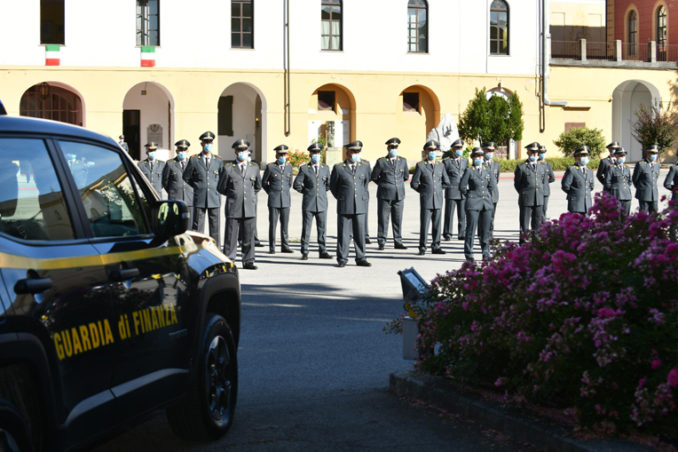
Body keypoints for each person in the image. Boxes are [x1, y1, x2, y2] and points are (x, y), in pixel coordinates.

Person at [218, 139, 262, 270]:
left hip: (249, 206)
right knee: (231, 236)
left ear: (247, 151)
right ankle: (229, 260)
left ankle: (248, 260)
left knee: (248, 235)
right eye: (240, 150)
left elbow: (257, 186)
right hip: (234, 206)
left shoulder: (254, 168)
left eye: (244, 150)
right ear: (235, 152)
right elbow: (221, 187)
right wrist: (234, 195)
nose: (242, 152)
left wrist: (248, 197)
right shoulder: (228, 168)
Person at [330, 140, 371, 267]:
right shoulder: (339, 168)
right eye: (353, 151)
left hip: (360, 205)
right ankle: (342, 258)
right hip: (345, 204)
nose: (356, 154)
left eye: (358, 152)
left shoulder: (365, 165)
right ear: (347, 153)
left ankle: (361, 258)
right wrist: (342, 197)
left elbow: (365, 183)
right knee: (344, 234)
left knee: (360, 233)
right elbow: (333, 186)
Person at [183, 131, 223, 246]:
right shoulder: (194, 159)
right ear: (202, 144)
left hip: (214, 197)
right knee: (198, 226)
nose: (208, 144)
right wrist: (197, 186)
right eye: (206, 142)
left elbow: (222, 177)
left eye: (210, 142)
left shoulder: (218, 160)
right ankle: (198, 247)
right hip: (199, 197)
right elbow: (186, 177)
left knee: (215, 227)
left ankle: (216, 248)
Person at [293, 142, 333, 260]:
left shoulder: (325, 168)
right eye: (314, 153)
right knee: (306, 228)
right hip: (308, 203)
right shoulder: (305, 168)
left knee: (322, 228)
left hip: (321, 203)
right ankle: (305, 251)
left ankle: (323, 250)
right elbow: (297, 185)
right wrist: (307, 192)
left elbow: (328, 185)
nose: (316, 155)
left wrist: (320, 193)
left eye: (318, 153)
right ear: (310, 154)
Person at [410, 140, 450, 256]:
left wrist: (437, 189)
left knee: (437, 224)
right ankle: (422, 247)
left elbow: (446, 182)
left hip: (437, 199)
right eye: (430, 150)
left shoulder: (440, 166)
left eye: (434, 150)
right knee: (425, 224)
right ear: (426, 151)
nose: (432, 152)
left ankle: (436, 246)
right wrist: (423, 191)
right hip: (426, 199)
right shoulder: (421, 165)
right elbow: (414, 183)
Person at [370, 137, 409, 250]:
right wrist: (384, 185)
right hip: (385, 195)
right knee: (383, 219)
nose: (393, 149)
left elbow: (406, 176)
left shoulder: (403, 161)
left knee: (398, 219)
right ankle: (381, 241)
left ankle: (398, 241)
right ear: (388, 148)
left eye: (395, 147)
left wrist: (397, 186)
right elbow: (374, 177)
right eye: (391, 147)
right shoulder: (381, 162)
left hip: (399, 194)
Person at [459, 147, 496, 262]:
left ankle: (486, 252)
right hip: (473, 203)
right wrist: (471, 195)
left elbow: (492, 186)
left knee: (485, 230)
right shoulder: (469, 170)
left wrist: (486, 196)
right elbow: (462, 187)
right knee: (471, 229)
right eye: (477, 157)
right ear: (473, 158)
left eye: (481, 157)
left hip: (486, 203)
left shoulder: (487, 170)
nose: (479, 159)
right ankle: (469, 253)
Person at [262, 145, 294, 254]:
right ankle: (272, 247)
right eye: (280, 154)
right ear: (276, 155)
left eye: (284, 154)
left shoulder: (289, 167)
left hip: (285, 200)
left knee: (285, 224)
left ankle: (285, 246)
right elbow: (264, 183)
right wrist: (271, 192)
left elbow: (289, 183)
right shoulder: (270, 167)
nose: (282, 156)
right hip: (274, 200)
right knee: (273, 224)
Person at [514, 142, 546, 243]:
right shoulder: (522, 167)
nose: (534, 155)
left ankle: (536, 244)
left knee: (537, 224)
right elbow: (517, 184)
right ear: (527, 152)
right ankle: (523, 245)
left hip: (539, 199)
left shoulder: (542, 167)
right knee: (524, 224)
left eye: (536, 153)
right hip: (526, 199)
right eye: (532, 152)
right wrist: (524, 193)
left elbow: (543, 182)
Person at [162, 139, 194, 225]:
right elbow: (165, 181)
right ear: (177, 151)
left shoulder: (192, 163)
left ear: (187, 151)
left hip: (189, 199)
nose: (182, 152)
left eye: (184, 150)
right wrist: (172, 191)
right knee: (175, 223)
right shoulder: (170, 163)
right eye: (180, 150)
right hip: (175, 199)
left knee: (189, 225)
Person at [442, 138, 467, 241]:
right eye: (457, 148)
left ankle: (461, 233)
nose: (459, 150)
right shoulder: (447, 161)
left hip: (462, 191)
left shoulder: (465, 161)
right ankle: (448, 233)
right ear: (453, 149)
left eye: (460, 148)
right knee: (449, 213)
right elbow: (444, 175)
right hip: (451, 190)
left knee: (462, 214)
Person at [562, 145, 594, 214]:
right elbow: (565, 186)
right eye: (582, 155)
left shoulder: (590, 171)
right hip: (576, 205)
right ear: (576, 158)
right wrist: (575, 194)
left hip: (587, 205)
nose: (585, 157)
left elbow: (591, 187)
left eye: (586, 155)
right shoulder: (572, 170)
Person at [604, 147, 633, 218]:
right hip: (616, 195)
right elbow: (607, 183)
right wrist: (614, 191)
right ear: (616, 156)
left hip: (627, 196)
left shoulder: (627, 168)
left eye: (623, 156)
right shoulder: (611, 168)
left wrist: (624, 189)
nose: (622, 157)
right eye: (620, 155)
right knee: (617, 217)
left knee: (626, 217)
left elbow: (629, 181)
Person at [633, 144, 661, 213]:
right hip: (644, 194)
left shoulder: (657, 165)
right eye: (652, 153)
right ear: (647, 153)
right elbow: (635, 179)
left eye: (655, 153)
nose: (654, 155)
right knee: (643, 215)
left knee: (654, 214)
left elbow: (655, 178)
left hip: (654, 195)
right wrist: (642, 188)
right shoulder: (641, 164)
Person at [482, 142, 500, 239]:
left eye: (492, 151)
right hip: (483, 194)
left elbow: (496, 180)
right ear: (484, 151)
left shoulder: (496, 164)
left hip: (493, 195)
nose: (490, 152)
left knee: (491, 216)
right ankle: (482, 234)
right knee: (483, 217)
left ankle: (490, 234)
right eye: (488, 150)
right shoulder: (480, 163)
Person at [538, 144, 555, 219]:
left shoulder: (547, 164)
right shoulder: (536, 164)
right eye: (541, 152)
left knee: (544, 209)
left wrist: (545, 182)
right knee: (538, 209)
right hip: (537, 190)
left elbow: (552, 178)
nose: (542, 154)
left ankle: (543, 224)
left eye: (543, 152)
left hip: (545, 190)